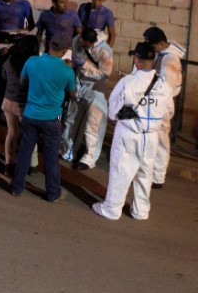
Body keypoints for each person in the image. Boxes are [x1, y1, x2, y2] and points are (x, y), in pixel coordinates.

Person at [92, 42, 174, 221]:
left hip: (129, 134)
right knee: (145, 175)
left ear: (136, 59)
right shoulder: (164, 86)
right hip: (151, 137)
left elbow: (113, 112)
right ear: (152, 61)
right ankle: (140, 211)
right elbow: (169, 112)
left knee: (121, 171)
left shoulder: (127, 82)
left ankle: (112, 209)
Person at [9, 32, 77, 202]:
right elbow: (72, 94)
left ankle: (17, 187)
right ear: (65, 51)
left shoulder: (32, 61)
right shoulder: (67, 71)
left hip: (30, 114)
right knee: (51, 156)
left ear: (49, 45)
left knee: (25, 151)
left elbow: (23, 82)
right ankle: (53, 193)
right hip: (52, 118)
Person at [61, 28, 114, 170]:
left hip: (96, 87)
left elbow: (105, 75)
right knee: (71, 119)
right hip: (79, 82)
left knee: (93, 124)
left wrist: (85, 65)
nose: (81, 44)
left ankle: (89, 157)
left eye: (85, 44)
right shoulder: (77, 41)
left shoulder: (105, 51)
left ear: (92, 42)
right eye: (80, 41)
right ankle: (68, 150)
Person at [143, 26, 186, 189]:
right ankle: (153, 172)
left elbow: (165, 87)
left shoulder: (169, 60)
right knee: (155, 136)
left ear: (161, 43)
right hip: (160, 100)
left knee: (161, 138)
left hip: (163, 101)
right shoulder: (163, 55)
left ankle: (158, 176)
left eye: (153, 46)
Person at [0, 0, 35, 122]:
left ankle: (18, 113)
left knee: (17, 78)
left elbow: (31, 25)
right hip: (1, 43)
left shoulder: (24, 4)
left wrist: (23, 31)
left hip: (18, 46)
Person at [1, 35, 40, 176]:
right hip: (23, 106)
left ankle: (8, 164)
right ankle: (32, 164)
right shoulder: (33, 64)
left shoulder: (10, 60)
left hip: (7, 102)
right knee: (30, 135)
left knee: (11, 133)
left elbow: (4, 76)